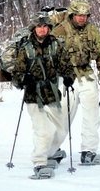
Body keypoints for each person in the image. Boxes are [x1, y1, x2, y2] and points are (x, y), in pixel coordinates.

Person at [10, 13, 73, 178]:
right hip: (33, 95)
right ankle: (39, 163)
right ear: (34, 28)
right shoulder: (25, 48)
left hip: (52, 93)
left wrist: (68, 77)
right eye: (39, 26)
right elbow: (17, 76)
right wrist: (25, 79)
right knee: (44, 131)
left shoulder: (56, 45)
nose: (42, 29)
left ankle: (50, 153)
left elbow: (67, 66)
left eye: (45, 26)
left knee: (60, 130)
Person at [52, 0, 100, 164]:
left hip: (86, 73)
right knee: (63, 115)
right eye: (78, 15)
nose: (82, 18)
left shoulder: (92, 31)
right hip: (65, 77)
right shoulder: (60, 30)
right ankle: (52, 150)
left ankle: (89, 151)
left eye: (85, 15)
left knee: (92, 113)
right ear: (72, 14)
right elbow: (51, 56)